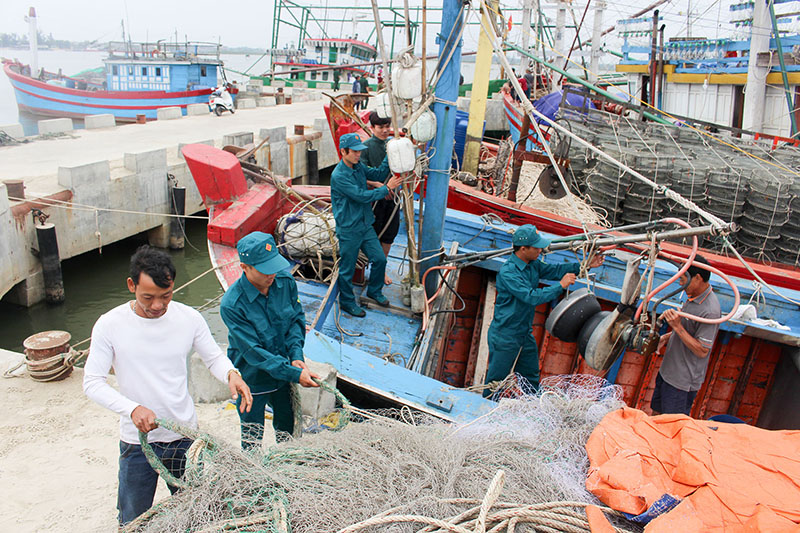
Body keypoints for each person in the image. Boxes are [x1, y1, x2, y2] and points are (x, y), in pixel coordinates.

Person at [83, 246, 252, 526]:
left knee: (193, 513)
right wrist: (132, 409)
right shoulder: (109, 325)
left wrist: (232, 374)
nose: (158, 306)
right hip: (137, 443)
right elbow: (92, 382)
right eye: (148, 297)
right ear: (131, 285)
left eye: (166, 296)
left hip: (183, 436)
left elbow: (213, 357)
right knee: (133, 519)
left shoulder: (189, 318)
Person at [220, 232, 320, 449]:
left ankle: (287, 460)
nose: (272, 274)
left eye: (274, 266)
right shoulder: (232, 305)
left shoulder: (285, 282)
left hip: (284, 374)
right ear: (245, 267)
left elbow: (296, 319)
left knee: (287, 426)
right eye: (265, 270)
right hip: (252, 378)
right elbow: (254, 352)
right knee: (252, 434)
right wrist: (294, 374)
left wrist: (296, 355)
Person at [483, 225, 604, 395]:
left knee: (530, 376)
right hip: (505, 335)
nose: (540, 250)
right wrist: (560, 286)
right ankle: (486, 405)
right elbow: (531, 296)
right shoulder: (508, 273)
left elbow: (554, 270)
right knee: (496, 382)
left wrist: (585, 265)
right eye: (536, 247)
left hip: (524, 333)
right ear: (523, 249)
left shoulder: (533, 264)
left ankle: (533, 403)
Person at [331, 133, 403, 317]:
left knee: (380, 259)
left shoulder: (358, 167)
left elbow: (378, 173)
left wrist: (390, 153)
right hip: (349, 229)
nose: (358, 155)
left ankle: (374, 290)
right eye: (355, 152)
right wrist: (387, 188)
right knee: (347, 269)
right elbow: (361, 196)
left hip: (365, 224)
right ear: (343, 152)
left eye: (359, 151)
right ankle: (347, 302)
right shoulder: (339, 176)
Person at [651, 255, 721, 416]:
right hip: (667, 373)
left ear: (697, 278)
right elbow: (689, 331)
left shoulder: (710, 311)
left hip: (681, 383)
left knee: (670, 426)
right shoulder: (693, 297)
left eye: (683, 279)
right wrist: (666, 337)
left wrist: (677, 326)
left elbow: (702, 350)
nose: (680, 283)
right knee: (655, 416)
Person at [364, 111, 399, 285]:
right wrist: (378, 185)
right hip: (374, 199)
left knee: (389, 233)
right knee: (374, 233)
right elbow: (358, 174)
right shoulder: (365, 147)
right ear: (372, 128)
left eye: (387, 127)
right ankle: (370, 266)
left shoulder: (393, 145)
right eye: (380, 127)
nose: (385, 130)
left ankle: (381, 269)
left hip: (393, 197)